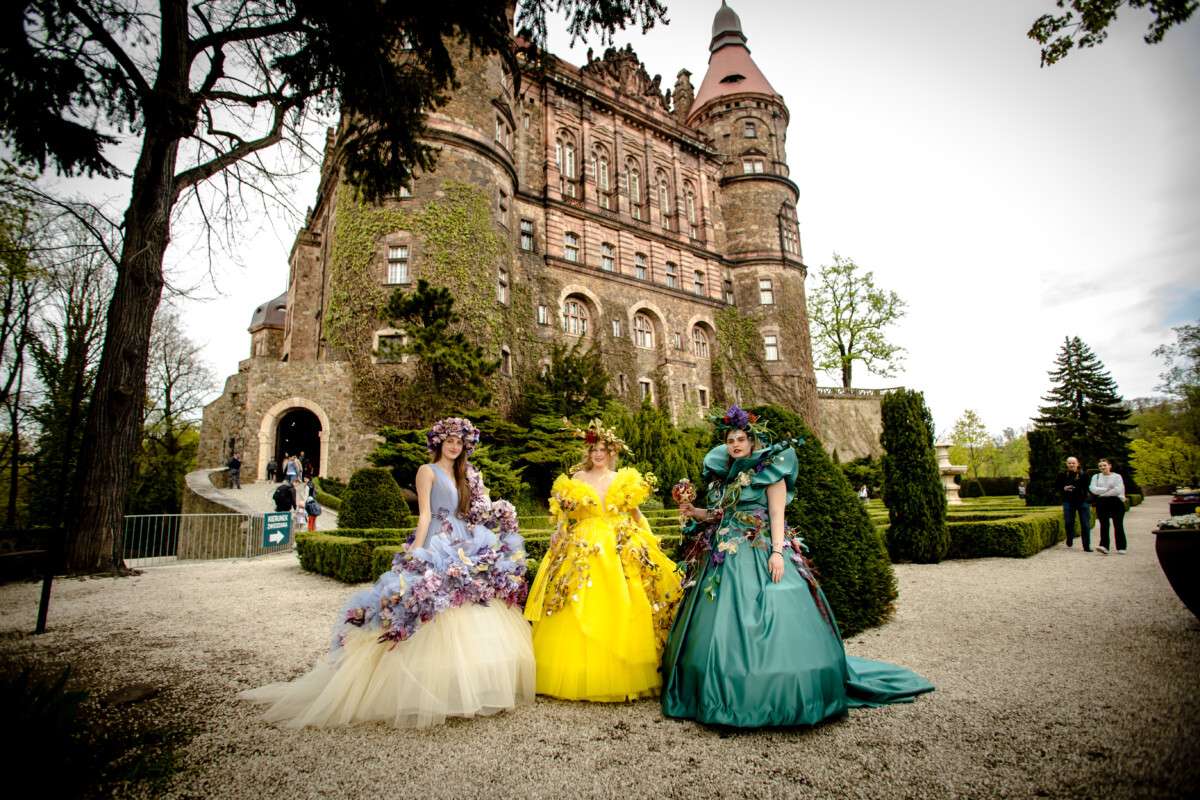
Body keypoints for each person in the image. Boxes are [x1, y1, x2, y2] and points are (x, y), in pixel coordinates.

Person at [241, 417, 533, 728]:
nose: (453, 446)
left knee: (468, 604)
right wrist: (417, 552)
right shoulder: (427, 471)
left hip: (462, 540)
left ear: (464, 447)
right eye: (449, 441)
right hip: (438, 539)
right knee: (428, 605)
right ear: (439, 443)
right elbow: (424, 515)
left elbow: (470, 511)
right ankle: (422, 689)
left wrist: (495, 513)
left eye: (459, 442)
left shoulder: (464, 475)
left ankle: (466, 686)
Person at [662, 405, 933, 727]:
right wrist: (694, 511)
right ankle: (715, 684)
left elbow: (777, 516)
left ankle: (772, 686)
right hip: (723, 554)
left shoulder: (771, 472)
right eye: (730, 440)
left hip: (760, 547)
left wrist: (777, 553)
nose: (735, 445)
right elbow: (720, 515)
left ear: (752, 442)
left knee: (772, 611)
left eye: (741, 439)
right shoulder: (724, 478)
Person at [523, 419, 682, 701]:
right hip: (582, 545)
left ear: (612, 453)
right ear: (588, 452)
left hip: (618, 543)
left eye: (603, 450)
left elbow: (636, 514)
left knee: (624, 599)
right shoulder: (576, 479)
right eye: (594, 449)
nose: (598, 454)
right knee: (576, 600)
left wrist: (649, 538)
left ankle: (621, 670)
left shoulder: (622, 480)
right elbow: (565, 515)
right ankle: (576, 671)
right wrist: (558, 531)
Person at [1090, 458, 1127, 555]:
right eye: (1100, 466)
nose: (1102, 467)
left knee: (1118, 524)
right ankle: (1104, 546)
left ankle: (1121, 547)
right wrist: (1107, 489)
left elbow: (1118, 490)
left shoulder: (1117, 476)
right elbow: (1093, 489)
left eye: (1104, 465)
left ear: (1110, 466)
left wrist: (1101, 492)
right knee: (1104, 525)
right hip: (1102, 502)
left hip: (1116, 501)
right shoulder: (1096, 477)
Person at [1059, 456, 1091, 550]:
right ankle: (1069, 538)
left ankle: (1086, 546)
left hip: (1082, 501)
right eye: (1069, 463)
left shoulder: (1084, 474)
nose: (1071, 465)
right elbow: (1057, 486)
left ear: (1077, 464)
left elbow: (1088, 487)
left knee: (1085, 524)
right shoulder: (1062, 475)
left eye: (1073, 463)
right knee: (1068, 522)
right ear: (1066, 464)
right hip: (1068, 501)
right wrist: (1064, 488)